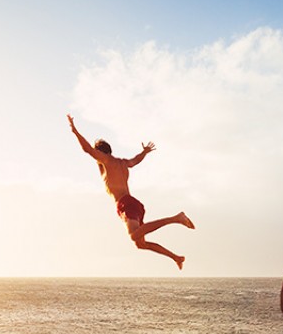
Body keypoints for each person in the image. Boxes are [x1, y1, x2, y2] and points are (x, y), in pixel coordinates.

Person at [67, 114, 195, 269]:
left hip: (125, 204)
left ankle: (176, 218)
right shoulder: (122, 163)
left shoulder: (107, 160)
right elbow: (135, 160)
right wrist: (144, 152)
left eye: (97, 155)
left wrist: (75, 131)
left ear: (101, 153)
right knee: (140, 244)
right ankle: (177, 258)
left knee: (134, 235)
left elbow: (87, 149)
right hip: (133, 204)